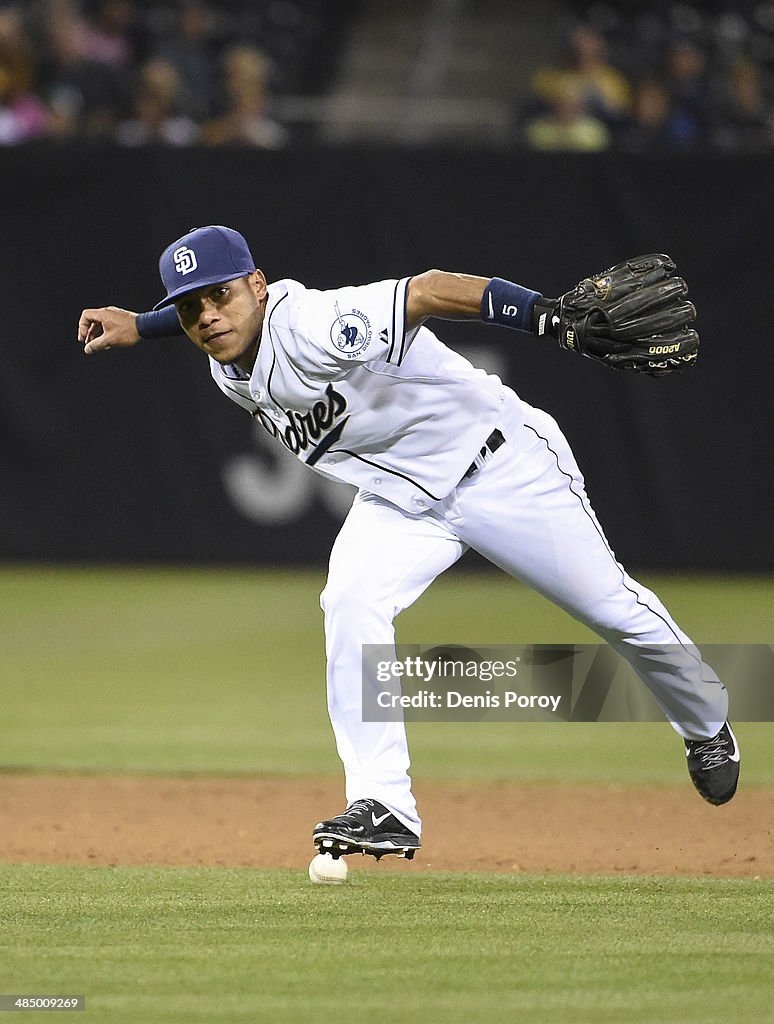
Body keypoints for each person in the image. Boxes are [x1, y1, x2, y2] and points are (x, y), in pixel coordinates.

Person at [77, 225, 740, 860]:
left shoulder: (312, 325)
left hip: (500, 467)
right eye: (190, 309)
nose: (207, 317)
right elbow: (209, 320)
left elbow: (426, 289)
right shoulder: (227, 360)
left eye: (220, 295)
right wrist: (142, 323)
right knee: (350, 599)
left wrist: (544, 316)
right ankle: (383, 804)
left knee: (611, 608)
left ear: (258, 284)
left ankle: (704, 719)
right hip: (401, 501)